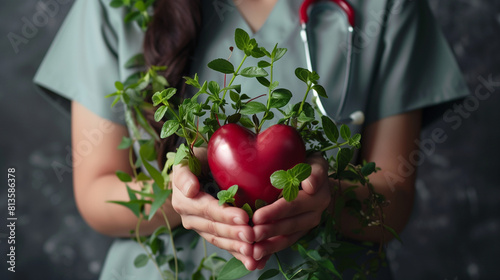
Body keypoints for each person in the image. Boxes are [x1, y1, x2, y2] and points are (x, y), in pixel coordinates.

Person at [34, 0, 469, 279]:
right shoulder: (114, 7)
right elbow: (95, 190)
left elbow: (393, 197)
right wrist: (186, 193)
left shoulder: (388, 7)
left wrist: (326, 199)